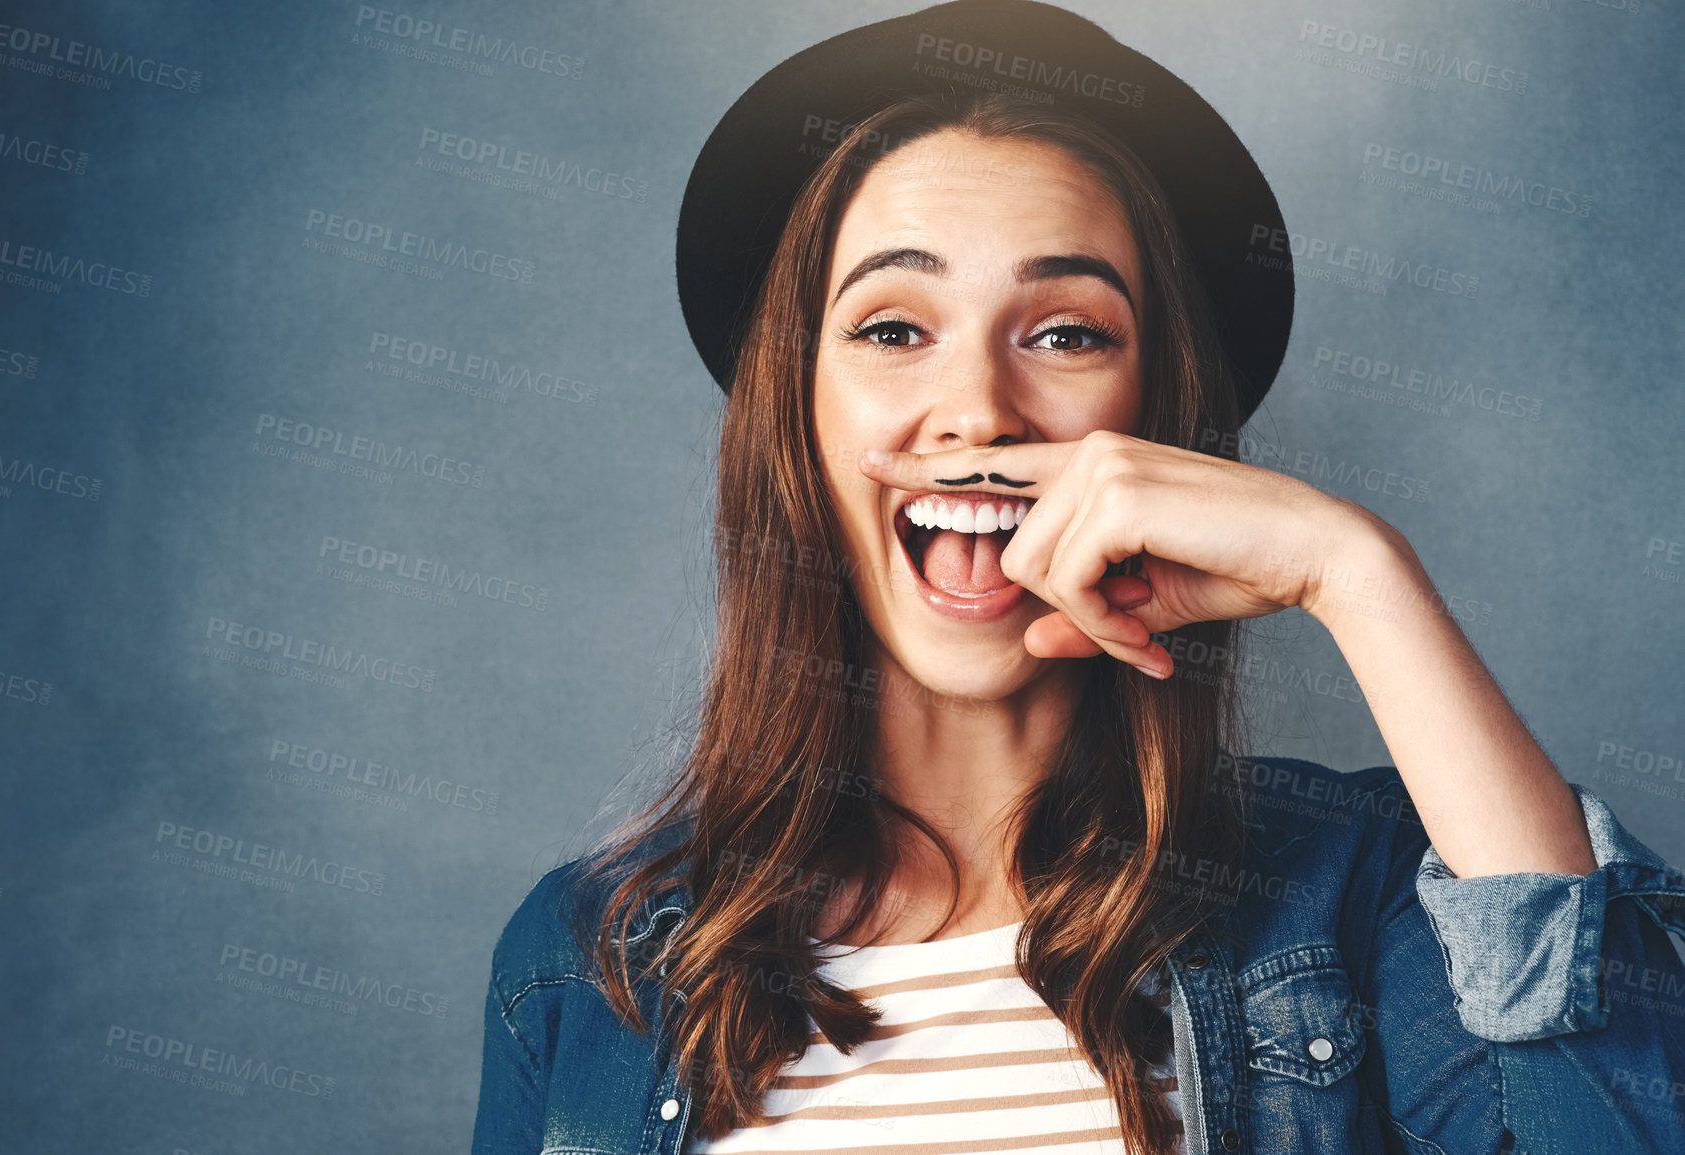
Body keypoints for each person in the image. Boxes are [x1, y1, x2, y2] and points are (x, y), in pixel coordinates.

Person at [471, 3, 1685, 1153]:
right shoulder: (585, 960)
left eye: (1067, 334)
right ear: (795, 418)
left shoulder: (1358, 889)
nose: (979, 410)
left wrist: (1358, 572)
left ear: (1156, 426)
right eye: (893, 328)